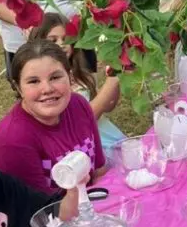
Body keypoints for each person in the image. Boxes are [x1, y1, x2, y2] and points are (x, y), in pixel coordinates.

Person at [0, 40, 106, 192]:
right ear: (19, 88)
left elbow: (99, 171)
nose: (47, 89)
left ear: (70, 77)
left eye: (55, 77)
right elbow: (38, 209)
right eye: (34, 81)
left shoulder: (78, 105)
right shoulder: (13, 140)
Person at [30, 13, 126, 154]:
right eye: (53, 40)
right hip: (88, 145)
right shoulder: (45, 85)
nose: (61, 44)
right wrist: (112, 81)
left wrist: (116, 75)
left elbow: (107, 106)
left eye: (66, 39)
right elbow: (83, 120)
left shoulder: (79, 73)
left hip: (108, 134)